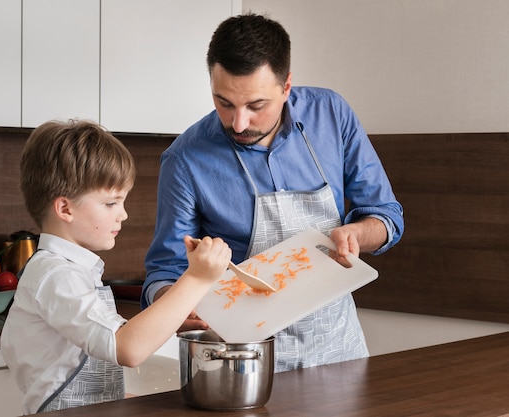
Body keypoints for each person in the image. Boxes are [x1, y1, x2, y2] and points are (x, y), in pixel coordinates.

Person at [142, 13, 404, 372]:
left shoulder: (331, 114)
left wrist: (358, 234)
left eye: (256, 106)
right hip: (243, 363)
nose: (238, 123)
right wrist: (173, 305)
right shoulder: (185, 159)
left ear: (286, 87)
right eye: (224, 102)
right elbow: (164, 270)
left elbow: (387, 216)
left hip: (339, 350)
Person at [0, 119, 231, 414]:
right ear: (65, 209)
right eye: (111, 203)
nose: (123, 214)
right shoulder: (56, 276)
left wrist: (171, 317)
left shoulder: (73, 271)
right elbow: (128, 348)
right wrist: (197, 278)